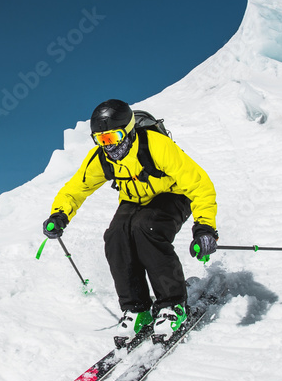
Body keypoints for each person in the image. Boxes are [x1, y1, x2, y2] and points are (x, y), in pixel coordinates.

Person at [43, 99, 218, 342]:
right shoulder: (102, 159)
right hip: (135, 199)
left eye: (112, 137)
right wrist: (60, 214)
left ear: (127, 131)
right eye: (101, 140)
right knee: (116, 236)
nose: (109, 146)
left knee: (145, 229)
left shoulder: (157, 146)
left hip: (173, 195)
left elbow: (199, 185)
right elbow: (76, 188)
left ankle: (172, 305)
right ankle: (137, 309)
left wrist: (205, 227)